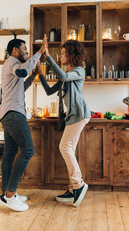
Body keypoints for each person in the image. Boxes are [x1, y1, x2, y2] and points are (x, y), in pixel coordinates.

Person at [38, 40, 91, 207]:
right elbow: (49, 91)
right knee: (69, 149)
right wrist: (40, 74)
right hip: (72, 116)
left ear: (71, 55)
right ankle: (72, 188)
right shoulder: (66, 74)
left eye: (62, 53)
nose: (60, 56)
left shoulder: (79, 71)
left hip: (80, 114)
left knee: (64, 147)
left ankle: (78, 185)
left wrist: (48, 59)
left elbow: (63, 76)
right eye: (59, 53)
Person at [0, 35, 47, 212]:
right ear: (15, 50)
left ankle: (5, 194)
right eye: (25, 49)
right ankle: (10, 195)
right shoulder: (12, 62)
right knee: (28, 150)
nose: (27, 52)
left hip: (8, 113)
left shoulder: (13, 66)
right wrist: (39, 53)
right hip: (13, 113)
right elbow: (22, 72)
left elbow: (21, 85)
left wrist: (33, 75)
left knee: (10, 153)